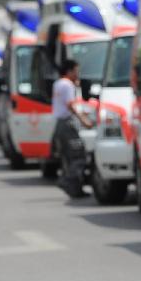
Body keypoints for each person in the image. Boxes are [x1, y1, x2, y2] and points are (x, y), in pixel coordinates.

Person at [51, 59, 93, 198]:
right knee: (79, 156)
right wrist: (84, 120)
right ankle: (67, 180)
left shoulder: (58, 83)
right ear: (69, 71)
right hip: (68, 124)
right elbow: (70, 105)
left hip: (60, 124)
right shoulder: (68, 85)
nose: (78, 74)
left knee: (69, 158)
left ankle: (76, 190)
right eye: (76, 71)